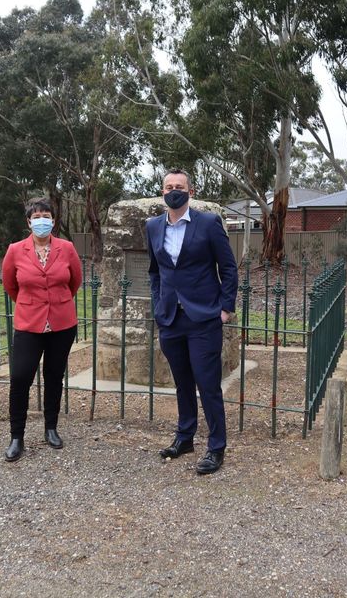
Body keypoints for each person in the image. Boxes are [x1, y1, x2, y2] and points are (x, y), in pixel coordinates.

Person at [146, 169, 238, 475]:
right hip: (170, 319)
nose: (174, 191)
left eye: (180, 187)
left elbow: (228, 268)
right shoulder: (153, 226)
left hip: (203, 318)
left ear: (191, 191)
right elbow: (155, 272)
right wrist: (159, 305)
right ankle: (185, 437)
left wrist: (225, 309)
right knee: (182, 382)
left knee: (207, 383)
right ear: (162, 192)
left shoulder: (209, 224)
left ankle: (216, 447)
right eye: (169, 187)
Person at [1, 198, 82, 462]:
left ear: (53, 220)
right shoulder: (15, 250)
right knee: (20, 377)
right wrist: (33, 304)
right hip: (29, 323)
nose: (41, 220)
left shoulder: (67, 248)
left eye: (45, 215)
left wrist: (55, 302)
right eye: (36, 217)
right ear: (28, 221)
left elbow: (74, 282)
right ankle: (17, 436)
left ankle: (51, 428)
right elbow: (11, 285)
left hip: (61, 323)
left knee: (54, 376)